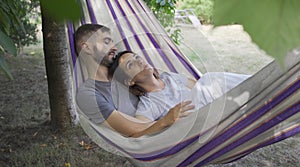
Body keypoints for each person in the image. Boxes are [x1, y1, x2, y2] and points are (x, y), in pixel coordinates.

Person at [74, 24, 194, 138]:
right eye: (106, 41)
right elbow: (134, 130)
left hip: (185, 117)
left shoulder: (125, 73)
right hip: (165, 137)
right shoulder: (89, 94)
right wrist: (168, 121)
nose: (115, 48)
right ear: (87, 47)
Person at [109, 50, 250, 122]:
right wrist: (166, 120)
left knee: (209, 80)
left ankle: (260, 87)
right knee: (209, 78)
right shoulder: (149, 103)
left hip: (214, 104)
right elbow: (139, 128)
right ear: (130, 81)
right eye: (130, 64)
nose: (139, 61)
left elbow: (198, 86)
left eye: (136, 57)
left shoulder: (168, 77)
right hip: (197, 119)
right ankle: (257, 86)